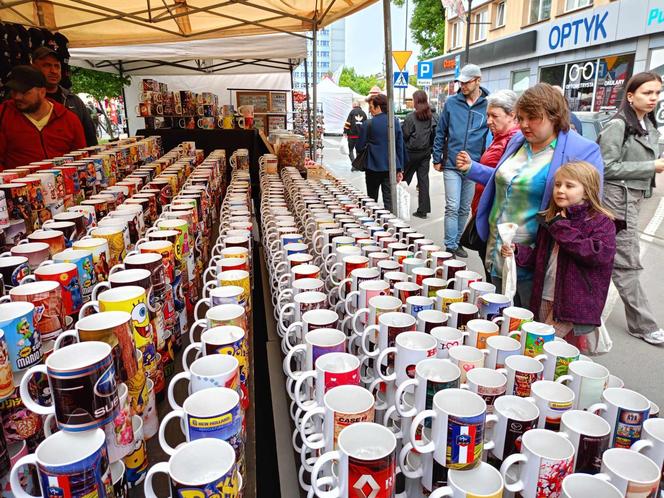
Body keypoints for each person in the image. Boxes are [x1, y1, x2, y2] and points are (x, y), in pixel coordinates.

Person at [456, 83, 604, 307]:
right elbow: (502, 179)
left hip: (535, 259)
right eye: (521, 118)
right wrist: (473, 169)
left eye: (532, 118)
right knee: (494, 316)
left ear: (554, 116)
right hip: (497, 248)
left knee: (526, 324)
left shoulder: (582, 150)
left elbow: (588, 210)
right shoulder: (518, 142)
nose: (524, 125)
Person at [501, 162, 616, 353]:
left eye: (569, 186)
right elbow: (540, 257)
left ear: (587, 191)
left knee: (540, 345)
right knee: (553, 351)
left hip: (572, 303)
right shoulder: (552, 218)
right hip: (546, 293)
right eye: (557, 184)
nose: (560, 190)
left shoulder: (601, 223)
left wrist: (561, 226)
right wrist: (518, 251)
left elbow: (595, 254)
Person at [598, 71, 664, 345]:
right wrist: (652, 166)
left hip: (632, 198)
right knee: (626, 262)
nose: (654, 98)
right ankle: (643, 325)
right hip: (617, 199)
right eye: (647, 93)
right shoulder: (618, 124)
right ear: (630, 96)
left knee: (608, 258)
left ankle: (583, 309)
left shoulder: (646, 123)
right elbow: (606, 166)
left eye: (657, 93)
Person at [432, 64, 490, 257]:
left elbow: (490, 135)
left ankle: (457, 241)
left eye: (467, 82)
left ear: (478, 80)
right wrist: (437, 156)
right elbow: (441, 131)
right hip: (451, 163)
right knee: (452, 205)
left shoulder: (487, 105)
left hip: (473, 165)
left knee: (465, 207)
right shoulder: (452, 103)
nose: (462, 85)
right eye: (461, 82)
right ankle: (450, 244)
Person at [0, 65, 86, 170]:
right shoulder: (4, 114)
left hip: (63, 183)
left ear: (42, 92)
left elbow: (81, 159)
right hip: (16, 184)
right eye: (14, 91)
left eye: (24, 92)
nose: (17, 97)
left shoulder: (69, 119)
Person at [31, 46, 98, 146]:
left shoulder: (73, 100)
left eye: (57, 66)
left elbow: (90, 139)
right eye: (47, 65)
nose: (53, 71)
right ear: (34, 67)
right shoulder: (25, 100)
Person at [471, 89, 520, 215]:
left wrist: (472, 168)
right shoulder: (500, 136)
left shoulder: (515, 141)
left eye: (494, 116)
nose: (488, 121)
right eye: (488, 115)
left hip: (494, 212)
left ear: (512, 115)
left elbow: (506, 178)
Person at [356, 93, 406, 212]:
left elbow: (359, 147)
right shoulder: (394, 122)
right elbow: (400, 146)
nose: (370, 111)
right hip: (390, 167)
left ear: (378, 107)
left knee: (371, 199)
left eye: (371, 108)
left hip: (372, 166)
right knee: (389, 201)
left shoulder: (368, 124)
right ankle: (390, 226)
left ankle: (372, 223)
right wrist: (400, 169)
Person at [402, 90, 436, 218]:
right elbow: (433, 134)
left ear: (416, 101)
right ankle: (423, 210)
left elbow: (405, 134)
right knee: (423, 181)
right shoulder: (430, 116)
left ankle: (399, 206)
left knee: (402, 179)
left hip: (411, 153)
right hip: (425, 153)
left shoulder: (411, 117)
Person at [343, 100, 368, 167]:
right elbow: (366, 124)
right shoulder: (364, 113)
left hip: (352, 136)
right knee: (359, 151)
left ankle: (354, 164)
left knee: (350, 150)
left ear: (354, 105)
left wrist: (345, 132)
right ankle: (357, 165)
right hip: (361, 136)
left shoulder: (352, 112)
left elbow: (348, 123)